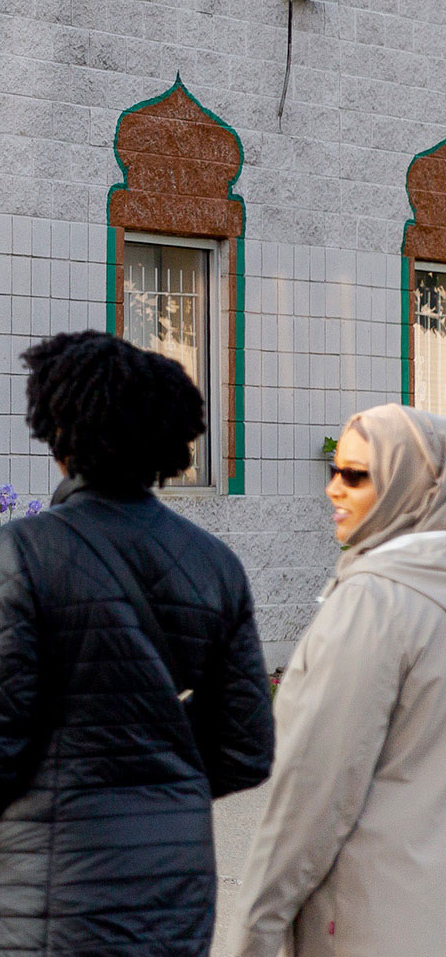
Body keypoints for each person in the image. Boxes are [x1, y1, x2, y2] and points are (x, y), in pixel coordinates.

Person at [0, 330, 275, 956]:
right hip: (175, 884)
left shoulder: (21, 553)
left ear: (58, 435)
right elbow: (247, 746)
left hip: (46, 887)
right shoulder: (216, 564)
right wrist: (158, 771)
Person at [229, 403, 446, 957]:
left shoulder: (372, 603)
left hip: (369, 923)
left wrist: (252, 934)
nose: (334, 490)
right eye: (334, 471)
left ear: (409, 487)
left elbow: (311, 792)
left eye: (355, 476)